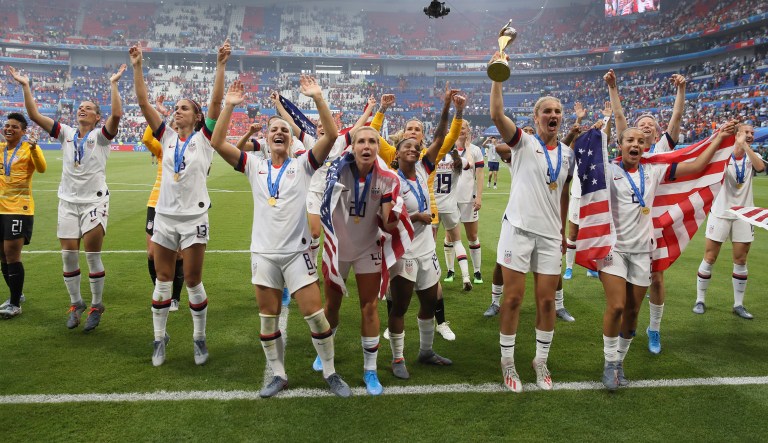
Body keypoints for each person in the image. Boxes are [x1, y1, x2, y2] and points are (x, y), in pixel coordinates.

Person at [210, 78, 352, 398]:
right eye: (274, 129)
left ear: (290, 140)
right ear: (266, 137)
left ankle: (330, 372)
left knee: (316, 316)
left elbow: (330, 136)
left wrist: (317, 98)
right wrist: (229, 106)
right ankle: (277, 373)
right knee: (267, 320)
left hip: (296, 253)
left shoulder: (303, 165)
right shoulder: (253, 166)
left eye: (284, 130)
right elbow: (217, 142)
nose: (279, 132)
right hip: (263, 254)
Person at [596, 122, 736, 390]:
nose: (635, 145)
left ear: (646, 147)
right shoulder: (607, 170)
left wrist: (718, 139)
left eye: (640, 141)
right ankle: (609, 362)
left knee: (633, 312)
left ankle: (620, 362)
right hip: (613, 249)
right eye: (629, 141)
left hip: (642, 252)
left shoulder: (654, 169)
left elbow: (696, 168)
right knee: (616, 307)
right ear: (620, 145)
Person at [130, 40, 229, 366]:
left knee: (192, 281)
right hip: (165, 217)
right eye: (175, 107)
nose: (177, 110)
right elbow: (144, 101)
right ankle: (160, 339)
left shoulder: (205, 140)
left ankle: (199, 337)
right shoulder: (166, 136)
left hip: (194, 219)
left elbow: (216, 101)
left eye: (184, 107)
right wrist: (138, 67)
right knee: (162, 280)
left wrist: (220, 65)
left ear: (198, 117)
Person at [10, 65, 124, 331]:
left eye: (88, 108)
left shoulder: (101, 137)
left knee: (93, 256)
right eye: (80, 107)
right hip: (68, 202)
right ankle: (76, 303)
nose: (82, 109)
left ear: (97, 117)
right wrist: (26, 85)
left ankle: (96, 305)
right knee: (68, 256)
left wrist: (114, 83)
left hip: (94, 201)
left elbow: (117, 114)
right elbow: (34, 115)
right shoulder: (66, 133)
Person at [489, 51, 574, 393]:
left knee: (547, 301)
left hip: (550, 236)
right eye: (546, 112)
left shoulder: (568, 154)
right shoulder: (523, 143)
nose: (552, 116)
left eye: (557, 112)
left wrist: (564, 229)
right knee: (512, 299)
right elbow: (497, 114)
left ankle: (540, 361)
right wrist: (498, 73)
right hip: (519, 230)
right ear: (536, 118)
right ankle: (507, 362)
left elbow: (564, 194)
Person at [370, 88, 464, 342]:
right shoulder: (393, 156)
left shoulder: (424, 161)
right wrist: (380, 110)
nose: (413, 136)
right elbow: (372, 136)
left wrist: (452, 109)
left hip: (429, 219)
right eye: (409, 131)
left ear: (422, 138)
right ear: (400, 144)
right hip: (403, 223)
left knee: (429, 277)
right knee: (400, 281)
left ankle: (440, 321)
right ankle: (394, 324)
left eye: (417, 132)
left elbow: (445, 135)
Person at [319, 124, 405, 396]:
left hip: (367, 245)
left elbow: (389, 225)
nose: (367, 146)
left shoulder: (388, 178)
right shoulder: (336, 170)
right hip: (337, 248)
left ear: (378, 147)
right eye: (361, 142)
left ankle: (370, 370)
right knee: (331, 308)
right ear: (352, 146)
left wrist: (392, 215)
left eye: (372, 142)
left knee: (369, 307)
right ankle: (326, 354)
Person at [605, 68, 686, 355]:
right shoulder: (631, 146)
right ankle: (627, 331)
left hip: (659, 220)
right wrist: (614, 89)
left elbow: (675, 119)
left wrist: (681, 90)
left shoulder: (661, 150)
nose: (646, 126)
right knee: (629, 288)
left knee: (658, 278)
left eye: (651, 124)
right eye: (641, 123)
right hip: (632, 222)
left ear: (656, 133)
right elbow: (619, 120)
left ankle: (654, 329)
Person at [387, 92, 458, 379]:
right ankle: (397, 358)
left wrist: (444, 107)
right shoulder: (391, 180)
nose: (414, 149)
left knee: (430, 301)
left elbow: (440, 137)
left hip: (426, 250)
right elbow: (386, 220)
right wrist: (415, 217)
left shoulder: (422, 168)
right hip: (404, 252)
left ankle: (426, 351)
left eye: (417, 147)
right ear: (398, 150)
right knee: (400, 306)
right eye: (408, 145)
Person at [694, 124, 764, 319]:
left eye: (752, 133)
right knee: (710, 257)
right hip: (720, 212)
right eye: (746, 132)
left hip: (745, 214)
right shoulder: (722, 157)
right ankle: (700, 299)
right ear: (736, 134)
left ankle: (738, 304)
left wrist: (746, 146)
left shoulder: (752, 157)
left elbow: (760, 167)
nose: (750, 135)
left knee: (741, 259)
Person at [0, 115, 46, 319]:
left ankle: (15, 304)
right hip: (0, 209)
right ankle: (15, 295)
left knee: (12, 255)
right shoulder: (1, 148)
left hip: (19, 209)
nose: (9, 129)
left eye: (14, 127)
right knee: (2, 255)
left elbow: (42, 168)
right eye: (7, 125)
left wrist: (35, 148)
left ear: (23, 131)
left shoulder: (29, 148)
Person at [142, 95, 185, 312]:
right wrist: (161, 114)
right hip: (156, 202)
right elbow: (147, 139)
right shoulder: (164, 146)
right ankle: (160, 290)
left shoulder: (192, 146)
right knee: (152, 253)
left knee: (177, 254)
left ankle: (175, 297)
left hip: (178, 205)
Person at [450, 120, 485, 286]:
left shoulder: (476, 150)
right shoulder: (448, 150)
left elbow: (480, 174)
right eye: (459, 128)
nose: (461, 131)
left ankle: (477, 271)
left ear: (468, 130)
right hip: (450, 200)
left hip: (468, 199)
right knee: (450, 237)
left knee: (472, 236)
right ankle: (451, 271)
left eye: (464, 128)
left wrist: (479, 196)